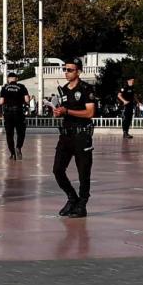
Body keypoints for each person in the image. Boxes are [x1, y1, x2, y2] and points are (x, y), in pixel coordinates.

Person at [52, 60, 96, 218]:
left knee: (83, 172)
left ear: (78, 72)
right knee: (57, 169)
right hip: (66, 135)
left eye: (70, 70)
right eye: (65, 69)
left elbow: (90, 113)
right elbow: (63, 110)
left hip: (81, 135)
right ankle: (72, 198)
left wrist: (68, 111)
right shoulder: (63, 90)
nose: (66, 72)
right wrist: (58, 112)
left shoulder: (86, 89)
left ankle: (82, 204)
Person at [0, 71, 30, 159]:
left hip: (8, 113)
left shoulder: (4, 88)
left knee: (9, 134)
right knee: (21, 132)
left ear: (8, 79)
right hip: (19, 112)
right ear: (16, 79)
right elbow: (27, 100)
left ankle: (12, 153)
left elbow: (1, 102)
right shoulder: (21, 87)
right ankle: (18, 147)